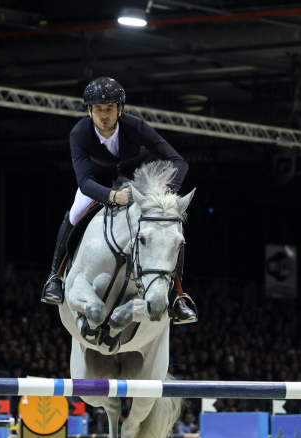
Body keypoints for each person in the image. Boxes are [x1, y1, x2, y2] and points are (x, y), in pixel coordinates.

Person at [40, 76, 198, 324]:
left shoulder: (135, 126)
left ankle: (177, 295)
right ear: (89, 110)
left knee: (169, 225)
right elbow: (84, 181)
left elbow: (179, 162)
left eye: (110, 109)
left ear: (120, 109)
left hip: (137, 182)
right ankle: (55, 277)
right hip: (99, 185)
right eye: (99, 109)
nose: (104, 115)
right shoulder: (79, 133)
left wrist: (164, 192)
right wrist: (112, 196)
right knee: (74, 211)